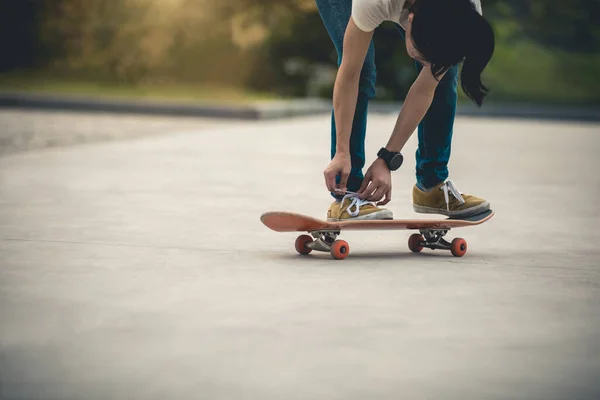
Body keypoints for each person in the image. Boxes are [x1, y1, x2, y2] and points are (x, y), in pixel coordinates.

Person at [316, 0, 495, 221]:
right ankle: (348, 193)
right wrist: (342, 152)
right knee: (361, 67)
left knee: (443, 73)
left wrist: (387, 158)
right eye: (421, 54)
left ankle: (431, 186)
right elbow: (349, 74)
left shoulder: (462, 14)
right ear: (409, 19)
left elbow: (426, 87)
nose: (425, 62)